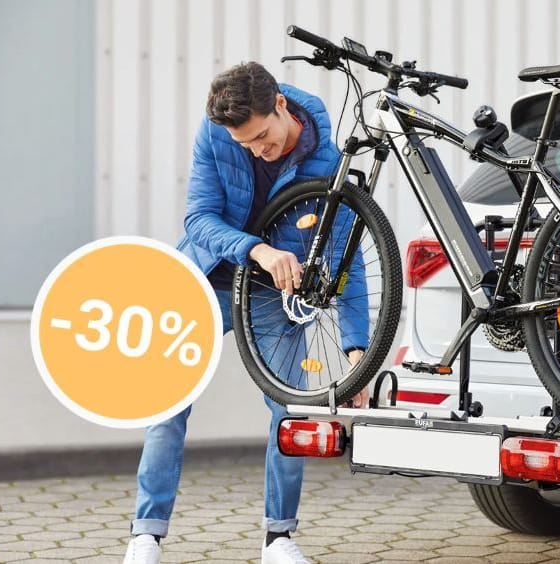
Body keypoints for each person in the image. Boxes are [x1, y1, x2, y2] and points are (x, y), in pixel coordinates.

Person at [123, 61, 370, 564]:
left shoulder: (326, 154)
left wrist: (356, 347)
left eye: (261, 136)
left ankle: (279, 540)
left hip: (274, 296)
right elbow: (198, 217)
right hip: (208, 277)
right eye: (246, 145)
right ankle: (145, 535)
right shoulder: (216, 133)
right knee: (167, 405)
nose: (258, 149)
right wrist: (257, 249)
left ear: (280, 103)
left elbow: (346, 247)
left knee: (288, 411)